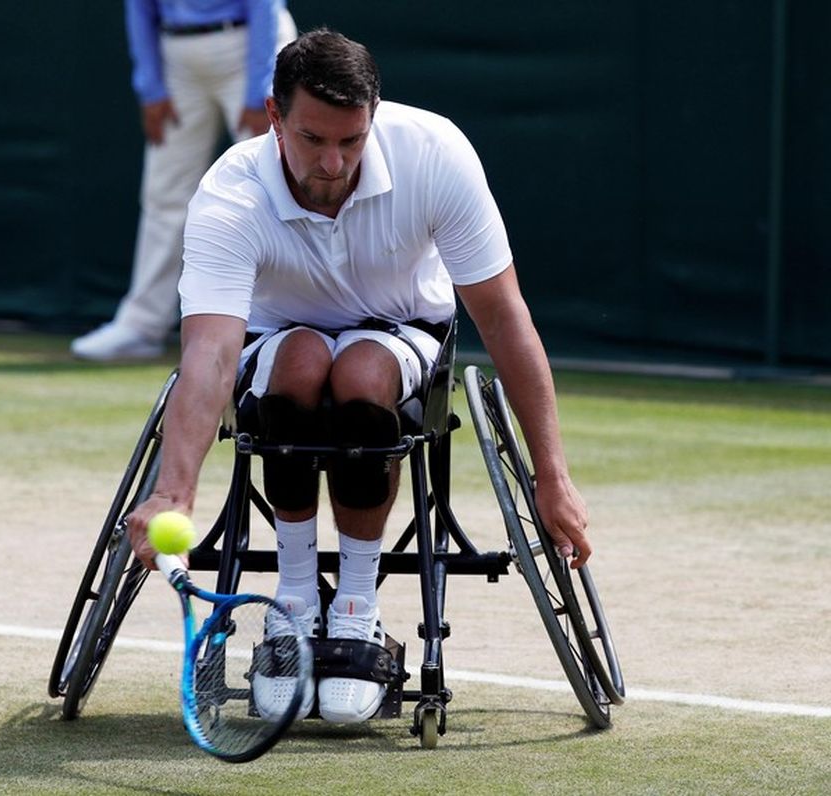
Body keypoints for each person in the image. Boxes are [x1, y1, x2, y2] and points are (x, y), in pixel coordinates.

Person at [125, 28, 591, 724]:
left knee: (363, 371)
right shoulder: (230, 192)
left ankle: (355, 608)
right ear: (274, 117)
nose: (334, 162)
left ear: (375, 115)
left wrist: (552, 475)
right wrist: (173, 491)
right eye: (313, 140)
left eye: (352, 140)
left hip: (403, 333)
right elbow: (212, 355)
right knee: (305, 359)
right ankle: (291, 603)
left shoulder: (435, 154)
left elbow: (503, 317)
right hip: (279, 339)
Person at [71, 0, 296, 361]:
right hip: (175, 55)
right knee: (165, 194)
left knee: (272, 187)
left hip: (251, 45)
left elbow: (264, 5)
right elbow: (140, 6)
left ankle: (279, 326)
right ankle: (140, 327)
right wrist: (151, 87)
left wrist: (261, 87)